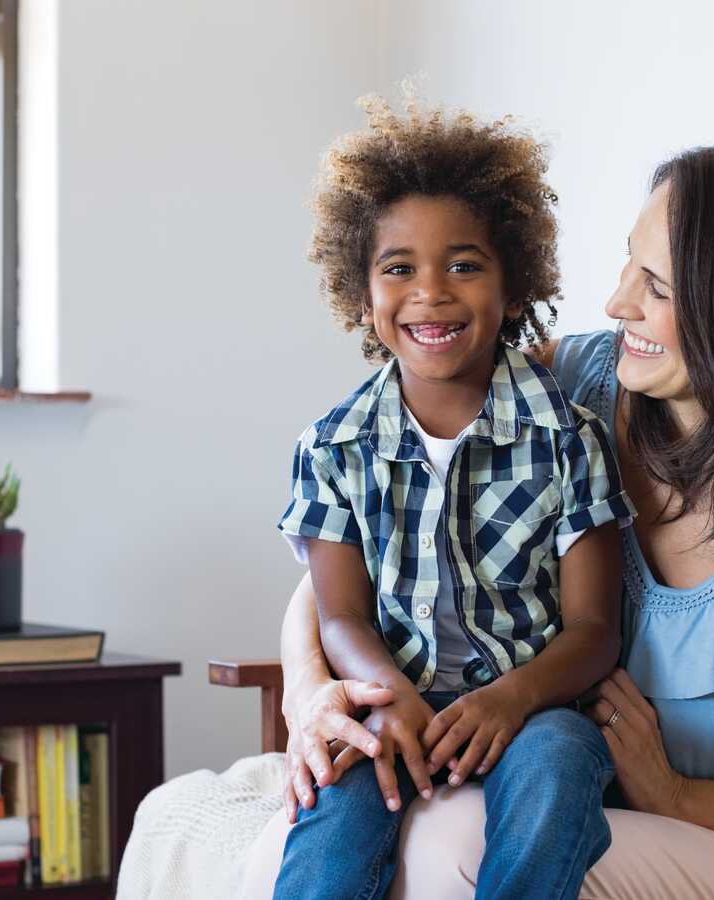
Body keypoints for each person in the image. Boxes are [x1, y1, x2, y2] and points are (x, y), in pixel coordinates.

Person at [245, 139, 714, 900]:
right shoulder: (569, 390)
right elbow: (356, 570)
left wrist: (684, 799)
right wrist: (311, 698)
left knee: (451, 848)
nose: (618, 302)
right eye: (630, 263)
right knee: (281, 850)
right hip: (576, 810)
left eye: (656, 286)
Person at [268, 94, 634, 900]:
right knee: (331, 815)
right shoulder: (332, 448)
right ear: (362, 296)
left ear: (514, 286)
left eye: (464, 265)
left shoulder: (569, 440)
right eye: (399, 269)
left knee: (560, 767)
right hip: (388, 707)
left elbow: (594, 630)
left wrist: (514, 698)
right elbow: (341, 617)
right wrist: (389, 695)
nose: (430, 292)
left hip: (533, 707)